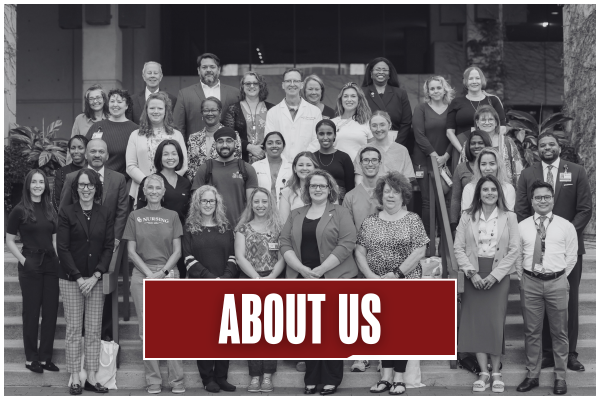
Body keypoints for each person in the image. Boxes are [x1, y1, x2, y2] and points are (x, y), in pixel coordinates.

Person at [515, 132, 592, 372]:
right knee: (541, 302)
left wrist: (563, 235)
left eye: (551, 144)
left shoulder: (577, 171)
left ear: (559, 147)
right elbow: (521, 209)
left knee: (568, 302)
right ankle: (547, 353)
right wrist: (537, 235)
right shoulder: (528, 174)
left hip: (568, 251)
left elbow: (585, 209)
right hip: (537, 250)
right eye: (542, 145)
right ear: (537, 150)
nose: (547, 148)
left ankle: (570, 353)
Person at [280, 170, 357, 395]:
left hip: (334, 277)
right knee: (310, 332)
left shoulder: (341, 212)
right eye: (313, 185)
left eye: (322, 186)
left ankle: (332, 378)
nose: (317, 189)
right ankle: (312, 377)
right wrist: (302, 269)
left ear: (330, 188)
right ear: (307, 189)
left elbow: (347, 243)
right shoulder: (296, 213)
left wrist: (321, 270)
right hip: (304, 278)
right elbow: (284, 243)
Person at [355, 171, 429, 395]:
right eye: (386, 191)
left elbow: (420, 250)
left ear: (403, 196)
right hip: (378, 284)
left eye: (395, 192)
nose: (390, 196)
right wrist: (371, 276)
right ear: (380, 195)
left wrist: (396, 274)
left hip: (405, 282)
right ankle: (385, 377)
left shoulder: (412, 219)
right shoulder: (370, 221)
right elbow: (359, 251)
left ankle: (399, 377)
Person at [454, 175, 520, 393]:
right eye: (485, 190)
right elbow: (458, 248)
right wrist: (472, 274)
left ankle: (496, 372)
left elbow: (514, 249)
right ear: (478, 194)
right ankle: (483, 371)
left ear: (499, 193)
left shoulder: (509, 217)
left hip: (498, 275)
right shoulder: (467, 216)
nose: (489, 193)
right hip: (474, 273)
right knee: (476, 323)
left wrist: (495, 275)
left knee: (494, 322)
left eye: (493, 189)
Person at [59, 139, 129, 341]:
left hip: (108, 246)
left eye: (101, 151)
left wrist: (114, 240)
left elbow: (122, 211)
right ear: (86, 155)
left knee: (104, 290)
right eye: (93, 151)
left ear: (107, 155)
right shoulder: (73, 177)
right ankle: (80, 337)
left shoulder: (118, 179)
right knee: (80, 292)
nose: (97, 155)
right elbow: (64, 207)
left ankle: (104, 336)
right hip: (78, 246)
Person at [123, 174, 185, 395]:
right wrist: (150, 274)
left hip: (168, 274)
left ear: (164, 191)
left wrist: (163, 273)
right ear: (144, 191)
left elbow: (178, 251)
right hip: (142, 276)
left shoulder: (172, 216)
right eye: (150, 187)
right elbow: (130, 251)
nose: (154, 191)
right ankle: (154, 380)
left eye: (158, 187)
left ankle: (177, 381)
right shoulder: (135, 216)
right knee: (147, 332)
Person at [515, 181, 578, 395]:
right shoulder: (521, 226)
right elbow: (517, 257)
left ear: (553, 199)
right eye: (538, 197)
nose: (543, 200)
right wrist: (525, 277)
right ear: (532, 201)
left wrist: (558, 277)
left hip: (557, 282)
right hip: (530, 282)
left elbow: (571, 256)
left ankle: (560, 377)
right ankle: (533, 375)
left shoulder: (566, 226)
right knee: (532, 331)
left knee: (559, 332)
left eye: (546, 197)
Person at [57, 169, 114, 395]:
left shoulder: (105, 212)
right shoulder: (67, 212)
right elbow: (62, 248)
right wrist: (80, 278)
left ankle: (91, 376)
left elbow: (109, 246)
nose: (86, 189)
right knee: (73, 330)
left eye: (90, 185)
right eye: (81, 185)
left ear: (96, 188)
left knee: (93, 330)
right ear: (76, 188)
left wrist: (97, 275)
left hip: (96, 279)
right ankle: (74, 378)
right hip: (72, 279)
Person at [6, 170, 60, 375]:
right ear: (28, 185)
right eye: (34, 182)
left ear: (46, 185)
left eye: (41, 182)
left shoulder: (50, 209)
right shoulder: (19, 210)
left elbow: (54, 238)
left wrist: (58, 258)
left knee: (50, 312)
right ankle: (31, 358)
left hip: (50, 264)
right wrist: (23, 261)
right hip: (30, 263)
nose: (38, 185)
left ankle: (46, 358)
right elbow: (9, 240)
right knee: (31, 313)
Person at [184, 186, 237, 393]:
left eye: (211, 201)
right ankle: (208, 378)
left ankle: (221, 377)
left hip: (224, 284)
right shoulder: (190, 227)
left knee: (225, 334)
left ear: (217, 204)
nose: (208, 205)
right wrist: (209, 278)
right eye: (204, 201)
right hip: (200, 285)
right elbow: (187, 258)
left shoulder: (225, 226)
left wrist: (224, 278)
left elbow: (233, 256)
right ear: (198, 203)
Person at [234, 187, 285, 392]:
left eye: (264, 201)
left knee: (270, 332)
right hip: (249, 279)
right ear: (251, 204)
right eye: (257, 202)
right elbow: (240, 257)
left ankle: (267, 376)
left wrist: (272, 278)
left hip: (273, 279)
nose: (261, 205)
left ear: (270, 203)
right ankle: (254, 376)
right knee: (252, 332)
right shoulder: (243, 228)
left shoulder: (279, 228)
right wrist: (256, 278)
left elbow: (283, 256)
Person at [137, 139, 191, 278]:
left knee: (178, 279)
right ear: (159, 158)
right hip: (157, 240)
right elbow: (141, 214)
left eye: (174, 154)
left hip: (180, 239)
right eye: (166, 154)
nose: (170, 157)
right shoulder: (151, 182)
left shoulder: (186, 183)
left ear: (179, 156)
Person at [126, 91, 188, 205]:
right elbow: (130, 166)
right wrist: (148, 183)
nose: (156, 111)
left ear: (166, 111)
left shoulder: (176, 135)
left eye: (160, 108)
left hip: (171, 193)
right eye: (152, 108)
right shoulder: (135, 135)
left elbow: (183, 165)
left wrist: (167, 185)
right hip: (142, 190)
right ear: (146, 110)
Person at [191, 127, 258, 226]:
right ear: (215, 144)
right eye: (220, 141)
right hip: (211, 229)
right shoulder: (205, 169)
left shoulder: (247, 169)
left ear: (235, 143)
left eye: (229, 141)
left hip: (239, 229)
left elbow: (251, 204)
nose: (225, 145)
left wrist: (240, 228)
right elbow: (196, 203)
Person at [412, 76, 454, 235]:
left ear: (444, 89)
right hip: (424, 161)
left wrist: (446, 156)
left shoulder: (452, 108)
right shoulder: (421, 108)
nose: (436, 91)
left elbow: (454, 135)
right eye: (432, 88)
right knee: (428, 202)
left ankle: (445, 246)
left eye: (438, 88)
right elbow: (419, 135)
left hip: (446, 162)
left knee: (447, 203)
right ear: (428, 92)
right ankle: (428, 247)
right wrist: (435, 156)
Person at [446, 66, 505, 173]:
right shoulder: (456, 102)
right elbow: (450, 132)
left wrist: (490, 149)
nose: (474, 81)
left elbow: (502, 127)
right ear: (465, 82)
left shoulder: (493, 100)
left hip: (489, 148)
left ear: (482, 80)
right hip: (461, 147)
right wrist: (463, 150)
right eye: (470, 78)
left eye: (477, 78)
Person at [173, 53, 240, 142]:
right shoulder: (185, 94)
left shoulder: (234, 93)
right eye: (204, 67)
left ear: (219, 70)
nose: (208, 70)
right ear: (198, 70)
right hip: (195, 151)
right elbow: (178, 127)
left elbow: (240, 126)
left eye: (212, 67)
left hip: (227, 150)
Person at [265, 68, 322, 161]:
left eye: (296, 81)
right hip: (280, 165)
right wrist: (284, 164)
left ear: (301, 85)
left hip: (306, 165)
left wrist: (302, 161)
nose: (292, 84)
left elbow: (316, 141)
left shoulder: (315, 112)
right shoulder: (272, 113)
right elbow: (270, 142)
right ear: (283, 85)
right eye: (288, 81)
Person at [458, 105, 523, 187]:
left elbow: (518, 169)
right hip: (476, 189)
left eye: (490, 119)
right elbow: (462, 168)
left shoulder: (507, 142)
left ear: (496, 123)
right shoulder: (469, 143)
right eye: (483, 120)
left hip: (504, 189)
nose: (487, 122)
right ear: (477, 123)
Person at [223, 71, 275, 163]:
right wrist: (248, 147)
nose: (251, 86)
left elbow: (277, 134)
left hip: (268, 160)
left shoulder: (272, 109)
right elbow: (228, 135)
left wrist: (263, 150)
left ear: (261, 86)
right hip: (240, 161)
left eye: (255, 83)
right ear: (242, 86)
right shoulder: (233, 109)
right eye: (248, 83)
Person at [186, 97, 242, 181]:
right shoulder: (193, 138)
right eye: (206, 110)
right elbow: (190, 167)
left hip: (224, 183)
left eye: (213, 110)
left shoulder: (232, 136)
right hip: (199, 187)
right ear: (202, 113)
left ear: (220, 112)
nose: (210, 113)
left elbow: (236, 164)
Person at [85, 88, 139, 176]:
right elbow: (85, 152)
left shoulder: (135, 130)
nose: (115, 104)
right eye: (112, 101)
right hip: (94, 180)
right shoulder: (97, 126)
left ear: (127, 106)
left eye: (119, 102)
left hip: (122, 182)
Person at [313, 82, 372, 161]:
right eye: (345, 96)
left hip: (359, 170)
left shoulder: (368, 123)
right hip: (336, 169)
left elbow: (372, 150)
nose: (349, 99)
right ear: (341, 100)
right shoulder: (331, 123)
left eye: (353, 96)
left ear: (359, 99)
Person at [361, 57, 412, 148]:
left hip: (395, 142)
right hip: (368, 144)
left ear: (389, 74)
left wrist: (397, 145)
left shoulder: (400, 94)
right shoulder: (361, 93)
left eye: (384, 70)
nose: (381, 72)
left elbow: (406, 123)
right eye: (378, 69)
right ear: (371, 73)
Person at [354, 111, 414, 183]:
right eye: (374, 125)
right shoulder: (363, 150)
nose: (378, 129)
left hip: (394, 192)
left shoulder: (402, 150)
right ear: (370, 127)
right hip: (370, 193)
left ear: (389, 125)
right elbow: (359, 179)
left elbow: (407, 180)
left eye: (382, 125)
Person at [450, 130, 492, 227]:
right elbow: (455, 199)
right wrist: (453, 224)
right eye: (473, 143)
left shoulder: (493, 167)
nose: (476, 146)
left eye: (481, 143)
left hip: (492, 220)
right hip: (467, 221)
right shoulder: (461, 168)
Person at [461, 148, 516, 214]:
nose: (487, 168)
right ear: (479, 167)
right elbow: (466, 216)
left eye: (492, 164)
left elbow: (509, 216)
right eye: (483, 164)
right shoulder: (469, 188)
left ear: (498, 166)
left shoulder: (508, 188)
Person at [312, 119, 355, 203]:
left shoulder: (344, 157)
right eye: (321, 134)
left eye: (329, 133)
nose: (325, 137)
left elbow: (351, 187)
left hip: (341, 203)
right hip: (316, 202)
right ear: (316, 135)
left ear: (335, 135)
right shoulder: (312, 158)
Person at [343, 147, 382, 231]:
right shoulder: (350, 197)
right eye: (366, 160)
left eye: (374, 160)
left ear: (380, 163)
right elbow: (346, 230)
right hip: (359, 243)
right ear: (360, 164)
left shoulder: (391, 193)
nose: (370, 164)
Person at [253, 131, 293, 205]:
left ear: (283, 146)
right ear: (264, 147)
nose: (274, 146)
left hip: (286, 209)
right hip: (262, 209)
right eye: (270, 143)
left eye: (278, 143)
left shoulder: (292, 168)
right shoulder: (255, 166)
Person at [278, 151, 318, 224]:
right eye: (301, 165)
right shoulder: (286, 193)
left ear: (315, 168)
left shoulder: (326, 190)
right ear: (294, 169)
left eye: (308, 165)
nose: (304, 168)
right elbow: (284, 223)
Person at [54, 135, 89, 211]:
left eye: (80, 148)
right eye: (73, 148)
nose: (76, 151)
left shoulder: (92, 170)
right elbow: (57, 200)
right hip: (68, 218)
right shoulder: (62, 172)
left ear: (86, 150)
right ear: (69, 150)